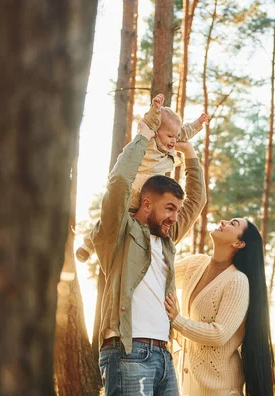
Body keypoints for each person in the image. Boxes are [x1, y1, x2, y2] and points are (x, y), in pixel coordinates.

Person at [95, 120, 206, 396]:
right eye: (169, 208)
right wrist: (144, 136)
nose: (175, 217)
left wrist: (189, 153)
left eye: (177, 211)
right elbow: (120, 181)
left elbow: (197, 200)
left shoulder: (167, 238)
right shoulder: (117, 232)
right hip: (128, 352)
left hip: (164, 355)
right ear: (146, 203)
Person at [76, 93, 209, 262]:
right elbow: (150, 123)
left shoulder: (166, 234)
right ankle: (89, 244)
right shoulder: (149, 142)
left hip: (150, 192)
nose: (174, 140)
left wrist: (198, 125)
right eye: (170, 136)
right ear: (156, 132)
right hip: (134, 188)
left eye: (175, 137)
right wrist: (155, 109)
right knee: (112, 216)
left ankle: (91, 242)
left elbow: (185, 132)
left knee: (118, 216)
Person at [164, 219, 275, 396]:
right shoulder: (195, 264)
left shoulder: (237, 281)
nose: (224, 222)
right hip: (187, 385)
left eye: (233, 224)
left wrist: (177, 320)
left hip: (221, 389)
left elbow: (220, 334)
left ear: (238, 243)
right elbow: (160, 273)